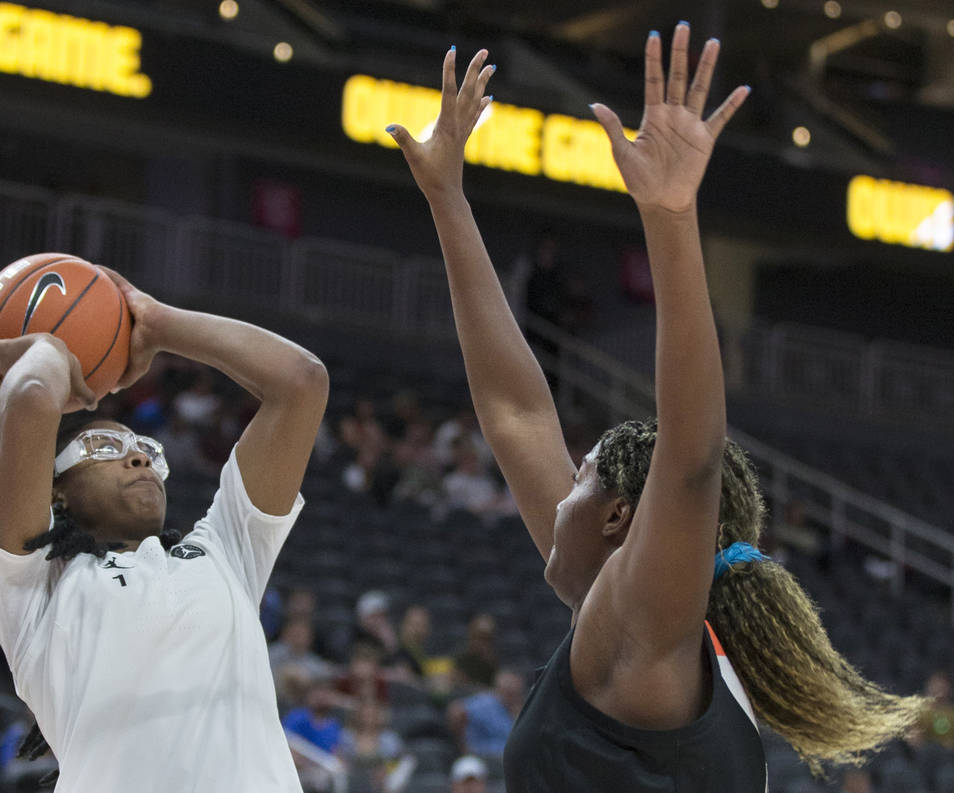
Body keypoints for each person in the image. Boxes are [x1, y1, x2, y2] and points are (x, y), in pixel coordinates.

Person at [387, 29, 926, 791]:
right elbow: (516, 413)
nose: (559, 489)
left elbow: (691, 456)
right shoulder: (625, 619)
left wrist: (671, 218)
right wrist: (447, 197)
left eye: (580, 479)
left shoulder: (642, 622)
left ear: (618, 518)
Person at [0, 266, 329, 791]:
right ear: (55, 491)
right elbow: (29, 401)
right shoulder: (34, 586)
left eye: (145, 451)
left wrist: (157, 325)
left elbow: (301, 382)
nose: (137, 457)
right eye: (105, 448)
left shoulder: (225, 551)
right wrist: (51, 347)